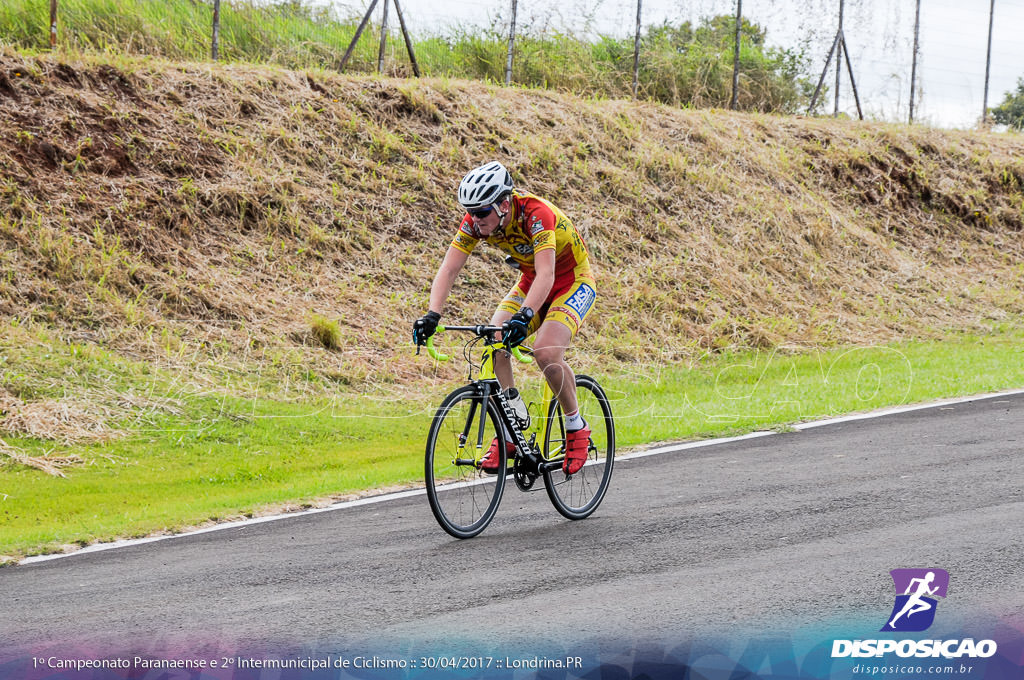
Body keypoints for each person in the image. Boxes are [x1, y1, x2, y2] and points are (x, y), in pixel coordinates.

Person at [413, 161, 597, 475]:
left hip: (571, 281)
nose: (474, 218)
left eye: (481, 211)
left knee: (546, 351)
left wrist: (525, 316)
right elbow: (450, 268)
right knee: (494, 340)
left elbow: (548, 273)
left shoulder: (537, 214)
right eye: (470, 211)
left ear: (503, 203)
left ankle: (575, 426)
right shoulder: (475, 222)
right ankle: (511, 431)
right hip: (531, 280)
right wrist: (432, 314)